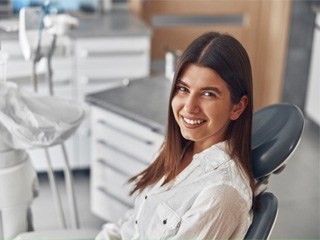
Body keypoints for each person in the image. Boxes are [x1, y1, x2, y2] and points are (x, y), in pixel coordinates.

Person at [95, 31, 256, 240]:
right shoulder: (175, 150)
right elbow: (133, 224)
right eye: (183, 89)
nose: (189, 107)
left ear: (237, 107)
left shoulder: (221, 193)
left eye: (208, 94)